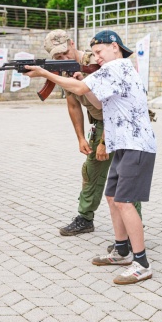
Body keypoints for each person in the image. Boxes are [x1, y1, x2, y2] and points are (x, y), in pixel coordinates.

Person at [26, 30, 157, 285]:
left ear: (115, 47)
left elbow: (79, 88)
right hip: (123, 144)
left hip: (135, 144)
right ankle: (121, 250)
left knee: (125, 201)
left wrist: (44, 73)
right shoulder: (114, 68)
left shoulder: (117, 66)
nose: (97, 57)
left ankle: (141, 263)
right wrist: (83, 82)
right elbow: (97, 103)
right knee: (112, 197)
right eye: (94, 53)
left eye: (99, 52)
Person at [43, 29, 142, 237]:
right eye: (58, 57)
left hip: (119, 124)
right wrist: (80, 137)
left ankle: (134, 225)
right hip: (99, 124)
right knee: (91, 171)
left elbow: (112, 106)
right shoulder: (65, 71)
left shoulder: (99, 62)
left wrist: (104, 142)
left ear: (72, 43)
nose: (63, 59)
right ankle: (85, 218)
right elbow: (73, 105)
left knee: (124, 176)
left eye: (65, 53)